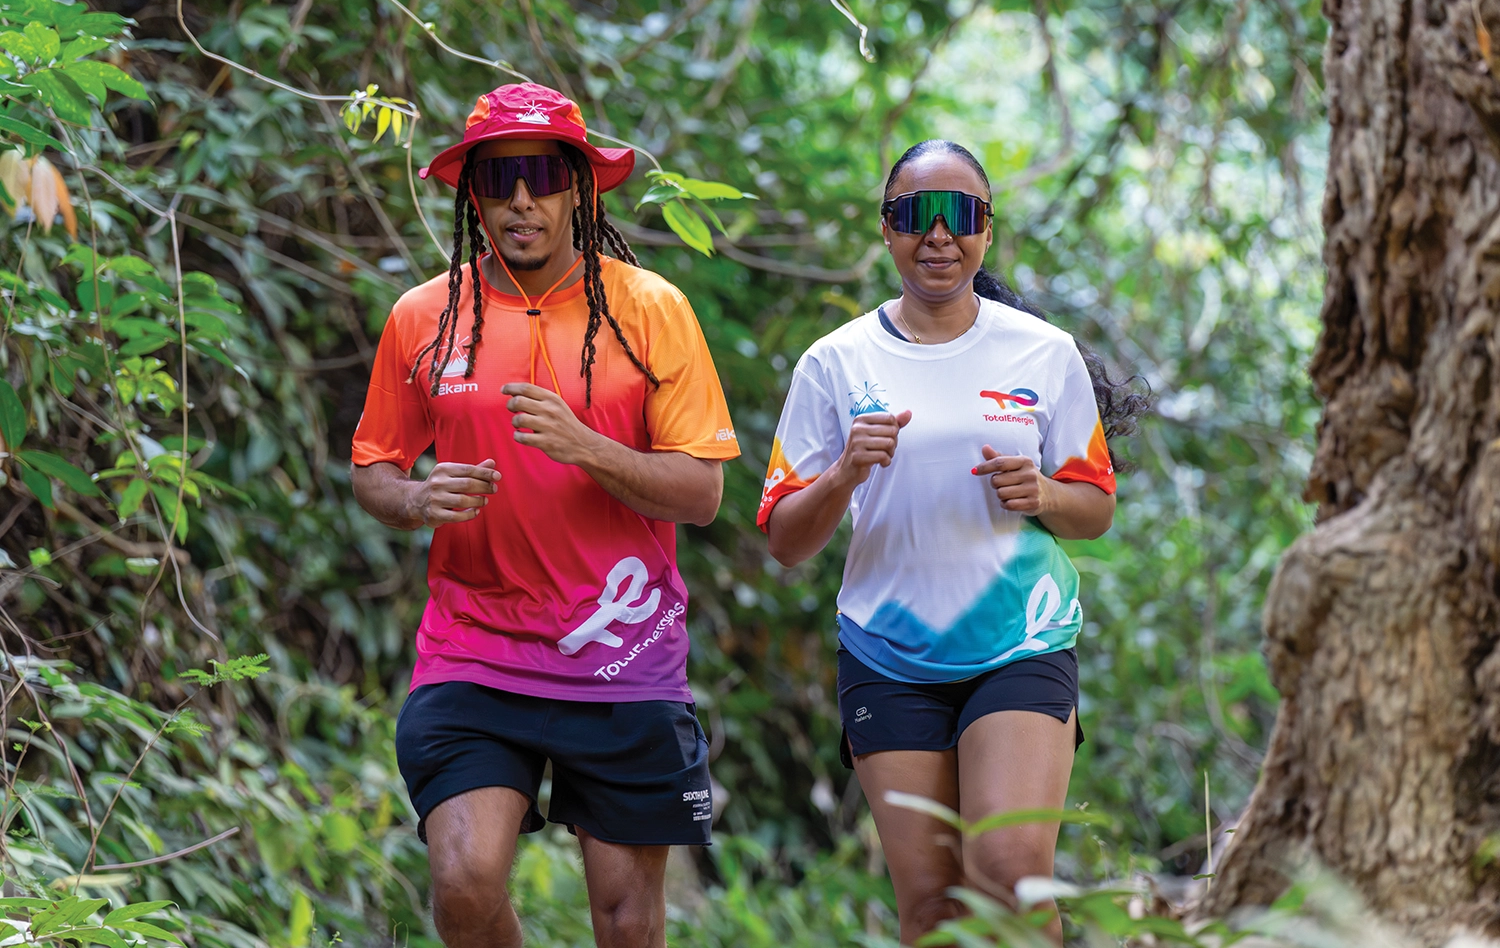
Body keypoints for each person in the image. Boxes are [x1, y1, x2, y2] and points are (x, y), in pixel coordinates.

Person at [350, 82, 739, 948]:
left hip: (623, 650)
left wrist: (588, 446)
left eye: (539, 175)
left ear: (578, 187)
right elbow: (373, 467)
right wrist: (417, 499)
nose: (520, 200)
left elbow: (703, 494)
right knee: (463, 879)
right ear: (472, 197)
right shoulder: (425, 315)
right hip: (473, 649)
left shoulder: (649, 310)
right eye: (497, 180)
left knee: (626, 920)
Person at [758, 139, 1146, 945]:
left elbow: (1095, 507)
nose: (938, 236)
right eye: (915, 216)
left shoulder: (1042, 352)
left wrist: (1042, 492)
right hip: (887, 650)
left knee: (1009, 875)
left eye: (959, 216)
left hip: (1020, 639)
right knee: (932, 908)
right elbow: (785, 541)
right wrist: (841, 476)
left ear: (987, 231)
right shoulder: (834, 362)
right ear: (887, 229)